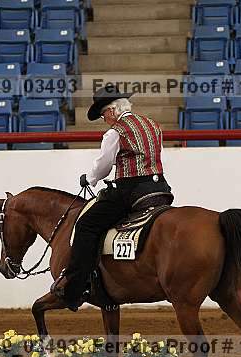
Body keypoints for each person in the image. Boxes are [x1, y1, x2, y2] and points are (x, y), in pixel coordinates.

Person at [51, 86, 172, 311]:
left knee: (86, 225)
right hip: (160, 189)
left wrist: (89, 179)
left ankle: (76, 286)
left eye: (103, 114)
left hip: (131, 192)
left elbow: (104, 166)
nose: (104, 119)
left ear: (113, 110)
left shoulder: (115, 132)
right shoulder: (152, 125)